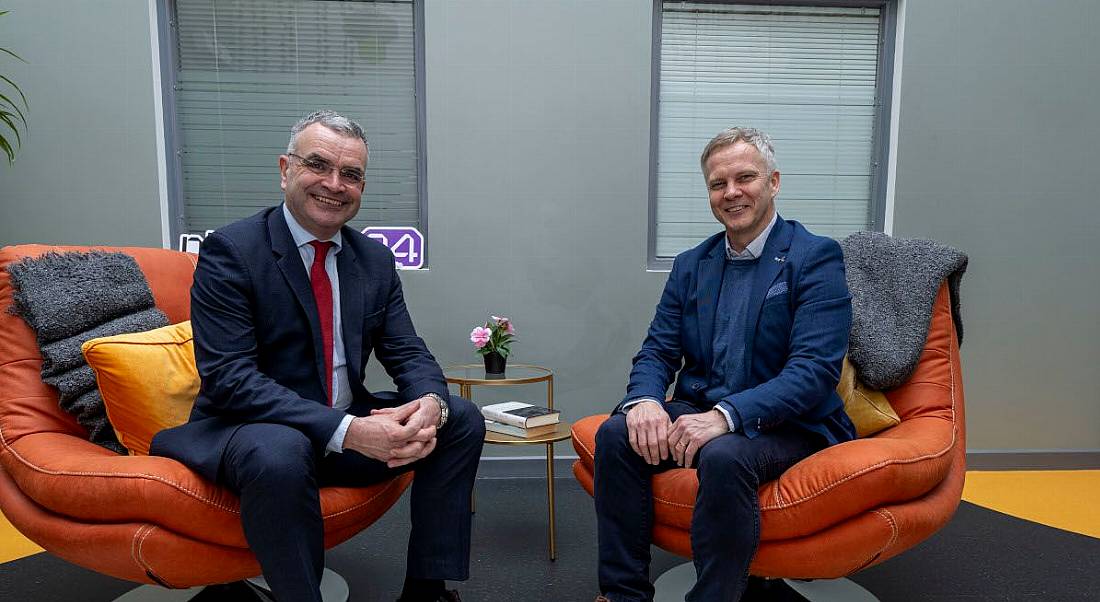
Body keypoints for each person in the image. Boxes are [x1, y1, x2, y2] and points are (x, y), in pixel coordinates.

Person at [151, 110, 483, 602]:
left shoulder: (372, 259)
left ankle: (427, 590)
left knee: (461, 418)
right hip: (252, 433)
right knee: (281, 450)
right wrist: (348, 430)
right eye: (318, 165)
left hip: (342, 431)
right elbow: (230, 380)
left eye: (351, 174)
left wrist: (430, 401)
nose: (334, 184)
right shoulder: (233, 251)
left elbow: (407, 350)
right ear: (286, 169)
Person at [592, 128, 856, 601]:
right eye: (718, 184)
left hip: (790, 423)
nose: (732, 192)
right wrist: (646, 401)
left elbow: (814, 372)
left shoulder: (815, 257)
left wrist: (726, 417)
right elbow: (657, 350)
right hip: (704, 408)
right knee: (617, 433)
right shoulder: (693, 264)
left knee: (723, 454)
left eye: (745, 177)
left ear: (773, 182)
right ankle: (622, 594)